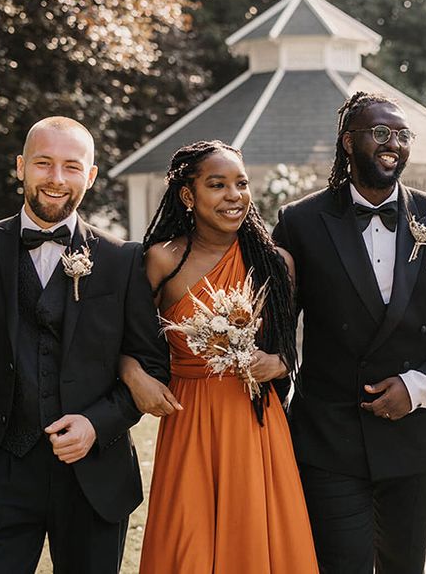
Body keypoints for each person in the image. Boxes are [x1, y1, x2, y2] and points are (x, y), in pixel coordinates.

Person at [272, 91, 426, 574]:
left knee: (404, 565)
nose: (394, 144)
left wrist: (418, 386)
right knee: (341, 565)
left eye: (402, 135)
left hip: (414, 437)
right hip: (330, 434)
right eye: (381, 133)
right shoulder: (300, 221)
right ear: (348, 143)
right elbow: (278, 324)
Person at [0, 117, 169, 573]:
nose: (56, 179)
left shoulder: (121, 259)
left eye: (71, 167)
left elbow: (151, 366)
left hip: (94, 476)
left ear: (90, 176)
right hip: (0, 473)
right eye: (43, 163)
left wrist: (96, 424)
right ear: (20, 167)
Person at [118, 140, 319, 573]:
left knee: (256, 537)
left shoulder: (275, 262)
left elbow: (296, 342)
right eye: (217, 184)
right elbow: (125, 341)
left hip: (255, 422)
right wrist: (133, 373)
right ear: (188, 196)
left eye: (241, 183)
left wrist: (280, 361)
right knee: (189, 540)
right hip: (188, 418)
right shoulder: (160, 261)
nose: (234, 195)